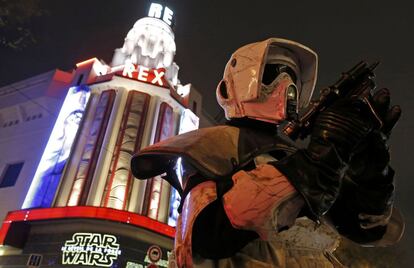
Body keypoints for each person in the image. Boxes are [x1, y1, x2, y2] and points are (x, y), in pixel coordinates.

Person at [131, 38, 404, 267]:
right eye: (274, 72)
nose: (287, 85)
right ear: (232, 86)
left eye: (293, 78)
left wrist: (370, 168)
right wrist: (315, 164)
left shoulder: (300, 157)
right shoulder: (211, 146)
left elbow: (367, 228)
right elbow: (205, 237)